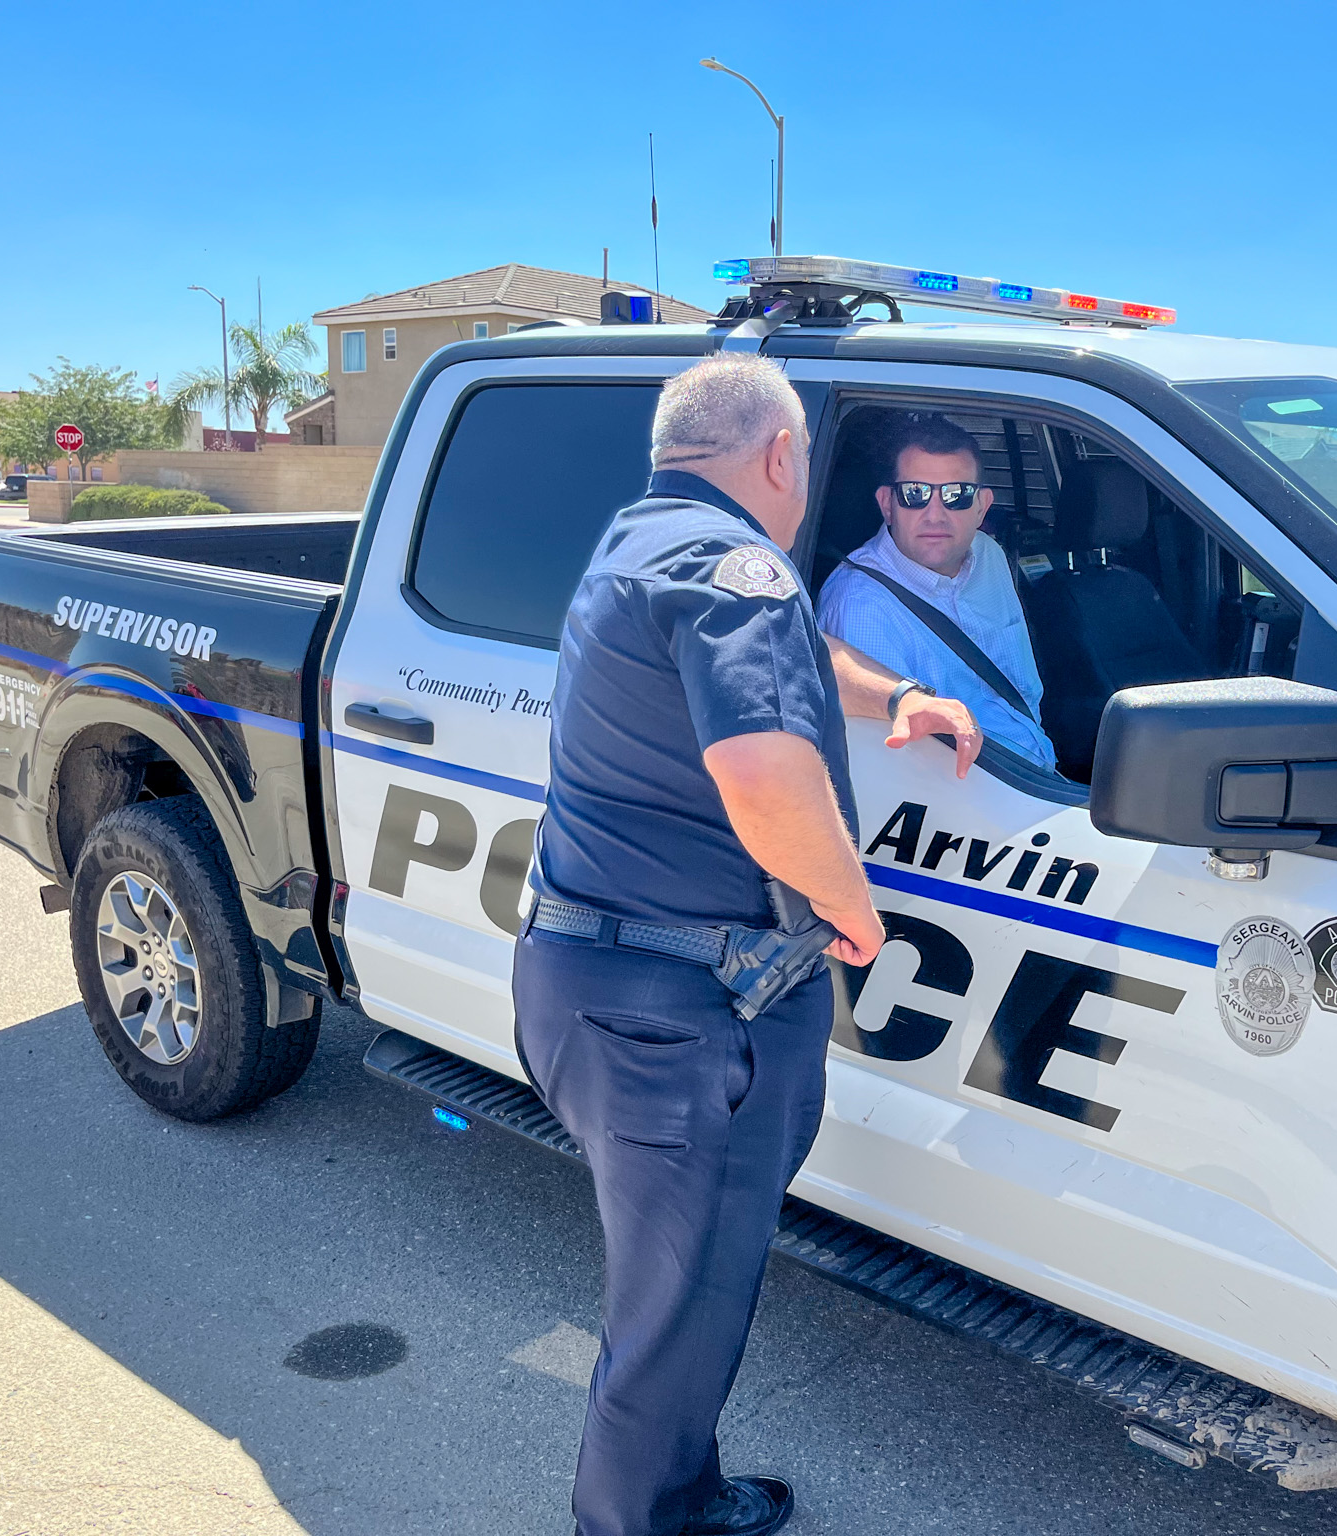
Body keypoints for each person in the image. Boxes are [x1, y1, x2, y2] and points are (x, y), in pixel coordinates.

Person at [512, 356, 980, 1536]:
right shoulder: (746, 568)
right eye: (805, 464)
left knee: (681, 1296)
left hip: (599, 984)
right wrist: (851, 911)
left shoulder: (646, 537)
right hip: (678, 1008)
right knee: (672, 1319)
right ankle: (637, 1522)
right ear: (780, 455)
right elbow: (761, 771)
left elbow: (784, 668)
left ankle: (683, 1490)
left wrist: (894, 698)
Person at [817, 413, 1059, 771]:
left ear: (983, 506)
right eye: (915, 494)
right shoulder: (861, 605)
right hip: (970, 796)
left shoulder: (989, 556)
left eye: (956, 495)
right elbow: (899, 764)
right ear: (887, 504)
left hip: (1038, 764)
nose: (935, 514)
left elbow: (1022, 693)